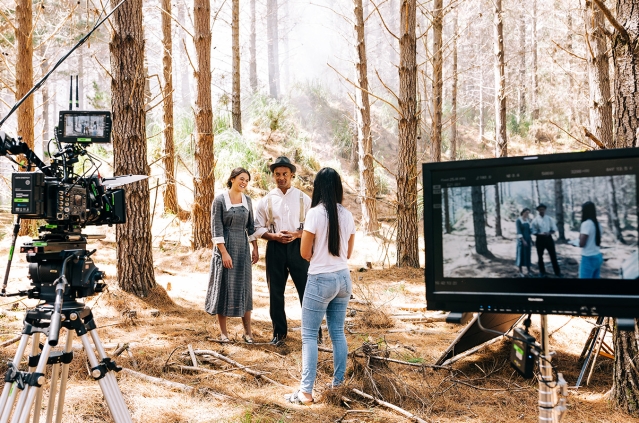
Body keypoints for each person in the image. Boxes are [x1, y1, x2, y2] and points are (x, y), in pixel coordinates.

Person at [284, 167, 355, 405]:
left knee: (309, 337)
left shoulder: (315, 214)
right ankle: (338, 384)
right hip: (343, 278)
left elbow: (304, 252)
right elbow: (349, 252)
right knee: (337, 333)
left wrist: (316, 254)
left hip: (320, 279)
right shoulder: (347, 214)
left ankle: (305, 392)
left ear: (318, 187)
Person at [254, 156, 313, 345]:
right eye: (277, 174)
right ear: (273, 176)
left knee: (306, 291)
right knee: (275, 293)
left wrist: (297, 234)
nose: (281, 177)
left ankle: (313, 333)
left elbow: (314, 227)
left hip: (299, 247)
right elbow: (256, 228)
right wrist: (274, 237)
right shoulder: (266, 201)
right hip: (275, 249)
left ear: (292, 175)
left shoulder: (305, 199)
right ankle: (279, 334)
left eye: (285, 174)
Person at [205, 167, 259, 343]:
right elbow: (216, 228)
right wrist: (224, 253)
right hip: (225, 248)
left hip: (242, 248)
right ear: (233, 179)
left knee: (244, 287)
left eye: (247, 180)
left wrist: (255, 248)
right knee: (224, 287)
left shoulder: (248, 201)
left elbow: (251, 227)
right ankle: (223, 333)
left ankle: (248, 333)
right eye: (241, 179)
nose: (244, 182)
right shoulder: (220, 200)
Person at [531, 203, 562, 277]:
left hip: (548, 238)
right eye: (540, 209)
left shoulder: (549, 219)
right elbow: (533, 231)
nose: (541, 211)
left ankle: (557, 272)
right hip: (539, 239)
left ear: (545, 210)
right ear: (538, 210)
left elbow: (554, 229)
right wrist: (539, 234)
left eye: (543, 209)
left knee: (553, 256)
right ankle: (542, 272)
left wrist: (549, 233)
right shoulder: (535, 220)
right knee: (540, 256)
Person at [579, 201, 604, 278]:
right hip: (598, 256)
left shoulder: (586, 224)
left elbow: (581, 244)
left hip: (588, 258)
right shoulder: (598, 224)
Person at [515, 208, 533, 277]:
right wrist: (523, 240)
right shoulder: (518, 220)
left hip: (528, 240)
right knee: (521, 255)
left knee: (528, 255)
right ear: (522, 213)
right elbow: (519, 231)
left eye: (528, 213)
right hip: (521, 240)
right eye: (525, 212)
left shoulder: (528, 221)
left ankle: (529, 271)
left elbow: (529, 231)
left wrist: (531, 240)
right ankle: (520, 272)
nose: (526, 214)